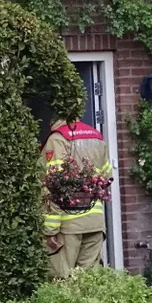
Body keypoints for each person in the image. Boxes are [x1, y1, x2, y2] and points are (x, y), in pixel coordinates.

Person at [41, 118, 112, 279]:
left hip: (68, 225)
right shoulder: (96, 136)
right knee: (89, 281)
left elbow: (53, 187)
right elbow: (106, 177)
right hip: (94, 221)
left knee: (63, 280)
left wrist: (50, 230)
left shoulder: (57, 139)